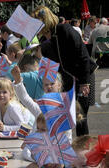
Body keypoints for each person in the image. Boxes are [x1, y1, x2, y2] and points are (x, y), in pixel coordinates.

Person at [32, 5, 98, 136]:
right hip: (68, 78)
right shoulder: (44, 39)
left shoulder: (64, 29)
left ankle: (84, 152)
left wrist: (85, 83)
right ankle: (70, 147)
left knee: (81, 117)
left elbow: (83, 55)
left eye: (35, 22)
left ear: (43, 21)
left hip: (84, 76)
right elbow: (50, 62)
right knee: (68, 115)